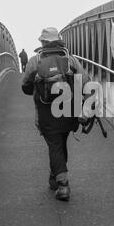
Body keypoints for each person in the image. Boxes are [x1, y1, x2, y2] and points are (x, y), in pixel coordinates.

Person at [21, 27, 89, 202]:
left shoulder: (35, 60)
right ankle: (55, 175)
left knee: (54, 144)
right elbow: (85, 81)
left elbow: (26, 87)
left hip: (46, 111)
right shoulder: (70, 59)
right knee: (60, 142)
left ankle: (63, 184)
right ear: (59, 40)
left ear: (43, 42)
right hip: (68, 109)